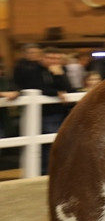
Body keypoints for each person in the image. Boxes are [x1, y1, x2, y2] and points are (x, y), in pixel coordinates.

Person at [13, 44, 71, 174]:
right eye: (50, 57)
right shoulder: (32, 70)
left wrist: (59, 75)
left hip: (60, 113)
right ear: (42, 58)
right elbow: (35, 88)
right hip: (43, 114)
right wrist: (56, 93)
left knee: (60, 145)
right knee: (47, 147)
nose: (54, 61)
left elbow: (69, 89)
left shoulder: (61, 70)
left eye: (57, 58)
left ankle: (57, 172)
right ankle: (46, 173)